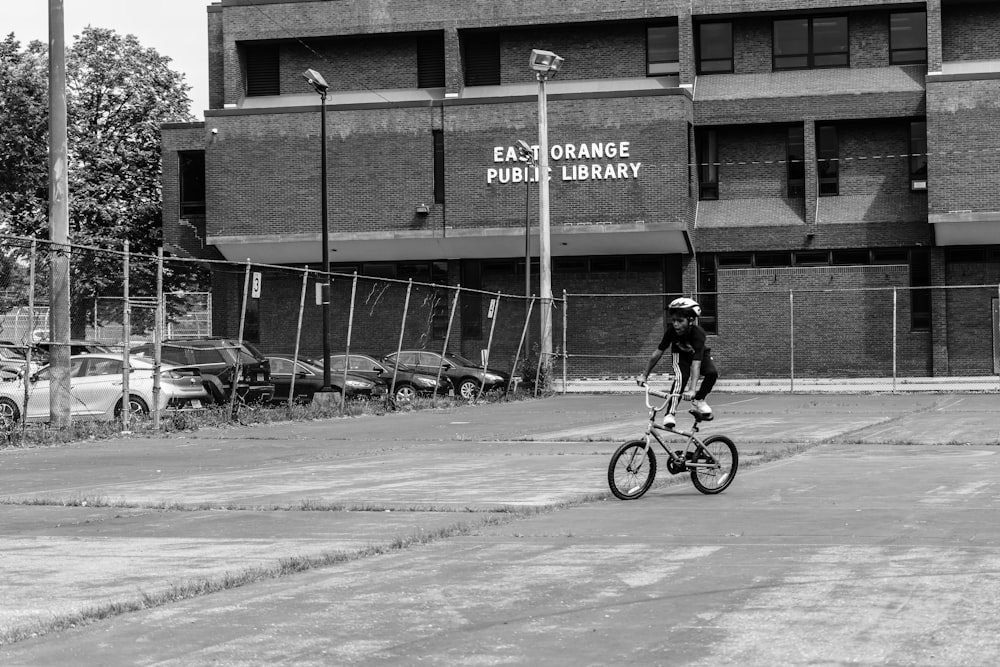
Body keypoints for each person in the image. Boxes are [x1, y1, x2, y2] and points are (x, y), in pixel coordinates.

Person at [638, 297, 718, 428]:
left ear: (690, 321)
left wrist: (692, 390)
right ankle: (670, 413)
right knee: (681, 378)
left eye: (680, 321)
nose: (676, 324)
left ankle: (699, 400)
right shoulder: (671, 332)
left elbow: (696, 364)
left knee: (712, 373)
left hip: (699, 356)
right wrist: (644, 375)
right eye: (674, 320)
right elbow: (657, 353)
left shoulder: (698, 334)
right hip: (680, 356)